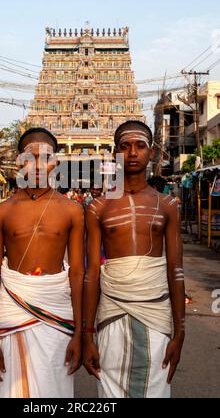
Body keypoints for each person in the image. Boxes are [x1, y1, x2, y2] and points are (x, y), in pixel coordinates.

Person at [83, 120, 185, 399]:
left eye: (140, 146)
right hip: (111, 313)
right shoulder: (97, 207)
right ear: (115, 153)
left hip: (157, 316)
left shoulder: (168, 205)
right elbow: (91, 273)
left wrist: (180, 332)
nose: (132, 153)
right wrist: (86, 334)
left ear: (151, 153)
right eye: (125, 146)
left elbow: (176, 271)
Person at [0, 128, 85, 398]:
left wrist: (80, 333)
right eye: (31, 157)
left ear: (56, 162)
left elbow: (77, 273)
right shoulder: (1, 212)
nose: (38, 164)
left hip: (57, 314)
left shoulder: (72, 210)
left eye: (46, 157)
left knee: (55, 391)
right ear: (20, 162)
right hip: (13, 311)